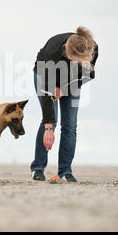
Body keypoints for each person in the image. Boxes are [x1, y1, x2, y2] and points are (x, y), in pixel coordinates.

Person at [31, 26, 99, 182]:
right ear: (66, 48)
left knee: (70, 126)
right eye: (69, 57)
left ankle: (65, 171)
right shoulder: (54, 53)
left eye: (75, 60)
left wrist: (65, 89)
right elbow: (47, 94)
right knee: (51, 122)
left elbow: (90, 75)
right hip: (44, 74)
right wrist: (48, 128)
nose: (71, 60)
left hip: (71, 81)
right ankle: (37, 168)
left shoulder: (92, 49)